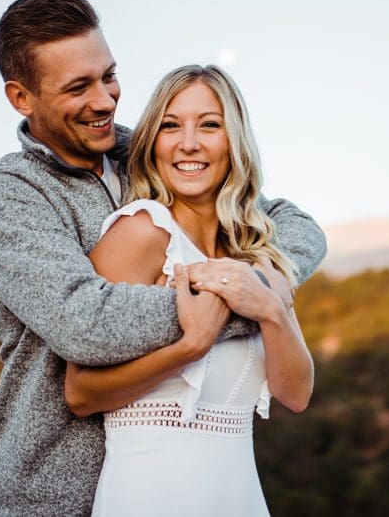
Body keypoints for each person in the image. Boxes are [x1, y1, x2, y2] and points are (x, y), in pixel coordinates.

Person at [0, 0, 326, 516]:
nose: (106, 101)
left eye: (108, 76)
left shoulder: (149, 151)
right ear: (22, 98)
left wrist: (258, 288)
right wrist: (225, 299)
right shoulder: (10, 199)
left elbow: (294, 227)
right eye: (78, 87)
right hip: (54, 496)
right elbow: (85, 324)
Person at [63, 65, 313, 516]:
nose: (189, 143)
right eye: (170, 125)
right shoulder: (140, 232)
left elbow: (296, 394)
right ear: (153, 143)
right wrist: (190, 346)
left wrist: (271, 309)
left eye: (210, 125)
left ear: (235, 141)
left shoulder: (255, 251)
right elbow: (80, 394)